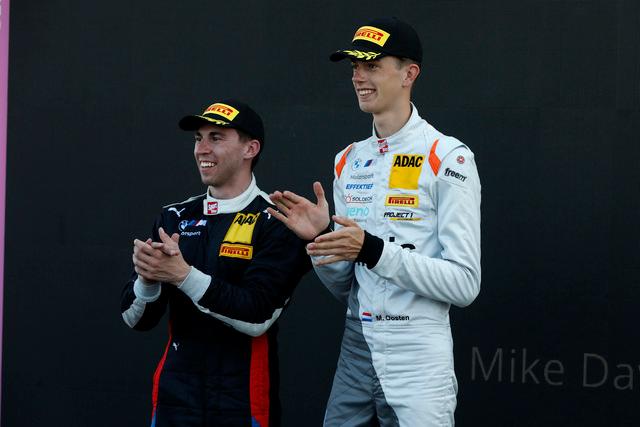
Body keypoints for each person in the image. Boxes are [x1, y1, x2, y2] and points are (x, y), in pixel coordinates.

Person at [268, 17, 481, 426]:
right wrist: (321, 241)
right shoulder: (348, 160)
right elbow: (347, 287)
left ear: (409, 74)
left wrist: (373, 250)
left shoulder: (448, 157)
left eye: (372, 66)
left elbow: (465, 284)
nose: (358, 77)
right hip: (357, 346)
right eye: (355, 67)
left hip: (416, 352)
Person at [121, 99, 309, 427]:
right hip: (176, 395)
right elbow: (135, 319)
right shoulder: (175, 216)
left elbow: (257, 316)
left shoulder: (277, 220)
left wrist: (182, 275)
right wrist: (147, 280)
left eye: (216, 138)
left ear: (250, 148)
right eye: (198, 138)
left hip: (242, 398)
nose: (202, 149)